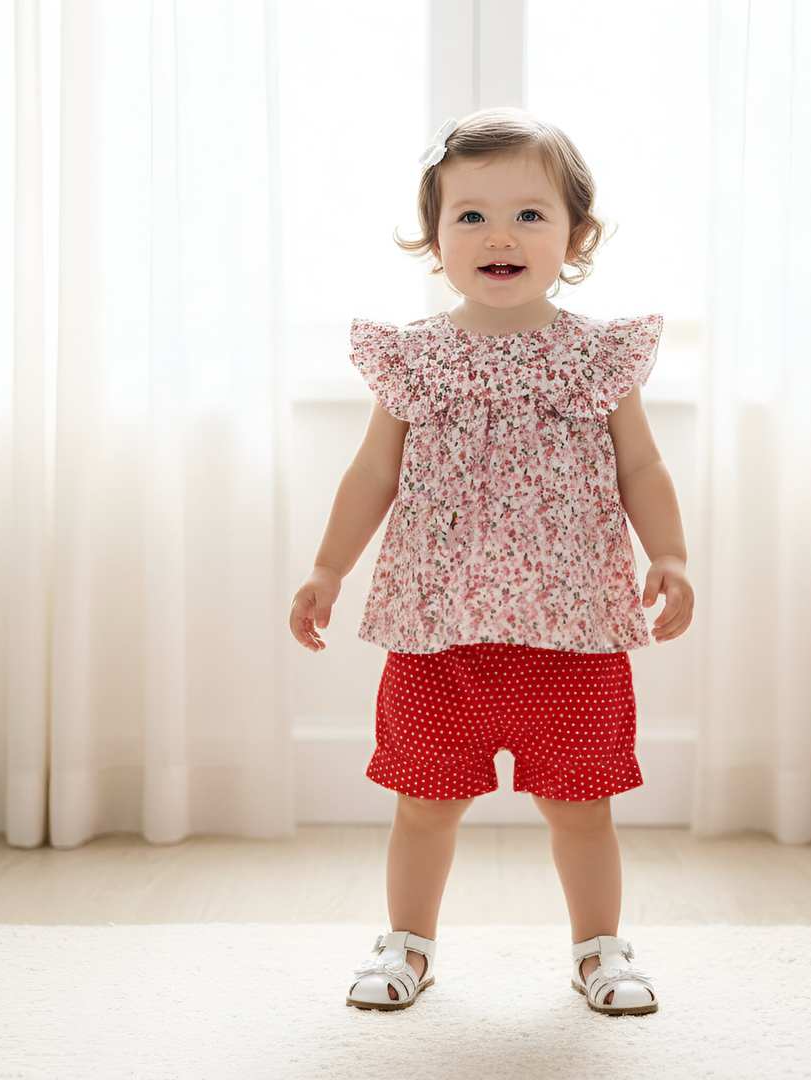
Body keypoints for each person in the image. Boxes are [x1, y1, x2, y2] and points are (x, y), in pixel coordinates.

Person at [289, 108, 694, 1016]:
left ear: (575, 236)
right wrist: (327, 569)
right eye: (469, 215)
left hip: (573, 635)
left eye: (528, 216)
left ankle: (599, 949)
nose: (498, 235)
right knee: (424, 804)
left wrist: (668, 552)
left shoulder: (596, 357)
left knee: (582, 808)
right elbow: (372, 473)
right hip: (440, 636)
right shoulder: (418, 360)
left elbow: (642, 465)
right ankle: (408, 943)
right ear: (434, 237)